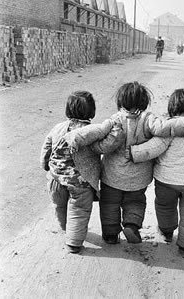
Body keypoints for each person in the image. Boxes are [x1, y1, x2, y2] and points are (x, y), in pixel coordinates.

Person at [96, 82, 184, 245]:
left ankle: (110, 234)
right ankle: (131, 225)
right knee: (135, 202)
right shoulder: (148, 118)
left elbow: (102, 137)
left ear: (121, 101)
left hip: (112, 176)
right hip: (138, 178)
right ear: (144, 101)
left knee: (109, 204)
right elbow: (163, 128)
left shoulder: (115, 119)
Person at [128, 88, 184, 258]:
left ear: (172, 109)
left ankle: (167, 232)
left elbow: (152, 149)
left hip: (167, 182)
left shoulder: (169, 130)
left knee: (165, 207)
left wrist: (133, 153)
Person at [40, 91, 124, 253]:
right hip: (81, 182)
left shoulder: (58, 128)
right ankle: (73, 241)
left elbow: (46, 149)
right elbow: (105, 146)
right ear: (91, 111)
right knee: (79, 210)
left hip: (56, 179)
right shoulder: (91, 131)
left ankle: (66, 228)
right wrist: (117, 134)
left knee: (60, 206)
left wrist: (45, 165)